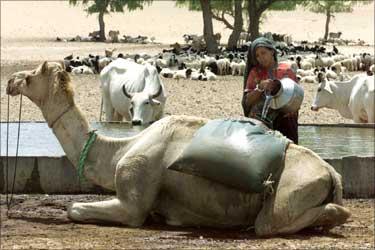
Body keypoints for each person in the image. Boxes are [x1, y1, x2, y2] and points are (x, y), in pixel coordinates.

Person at [241, 37, 299, 144]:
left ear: (272, 51)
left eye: (263, 53)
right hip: (262, 122)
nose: (261, 58)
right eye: (257, 56)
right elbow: (247, 101)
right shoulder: (255, 73)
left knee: (288, 151)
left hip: (286, 121)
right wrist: (260, 88)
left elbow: (297, 96)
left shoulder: (286, 71)